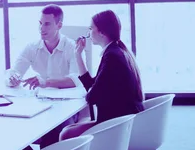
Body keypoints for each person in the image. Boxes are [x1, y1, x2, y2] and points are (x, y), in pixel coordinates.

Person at [7, 4, 81, 150]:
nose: (41, 28)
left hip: (66, 108)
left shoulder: (71, 47)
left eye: (47, 24)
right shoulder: (32, 47)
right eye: (40, 23)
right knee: (10, 132)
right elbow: (14, 71)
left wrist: (45, 82)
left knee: (52, 134)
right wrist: (13, 77)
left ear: (59, 25)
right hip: (39, 105)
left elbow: (76, 80)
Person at [59, 9, 144, 141]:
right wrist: (78, 55)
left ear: (102, 32)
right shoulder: (116, 51)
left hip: (118, 124)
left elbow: (92, 97)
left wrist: (92, 91)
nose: (89, 33)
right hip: (124, 119)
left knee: (66, 134)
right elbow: (92, 87)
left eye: (91, 28)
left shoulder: (112, 56)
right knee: (68, 130)